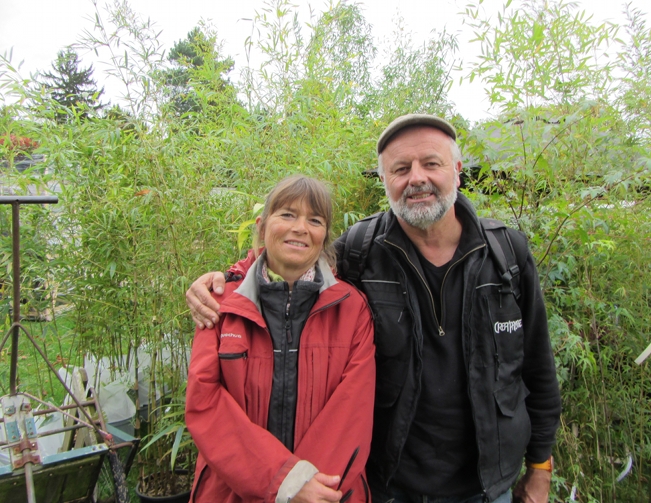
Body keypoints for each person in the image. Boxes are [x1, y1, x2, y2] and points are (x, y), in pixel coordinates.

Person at [186, 115, 562, 503]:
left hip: (487, 486)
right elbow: (291, 265)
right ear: (384, 181)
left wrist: (540, 467)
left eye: (431, 163)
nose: (416, 178)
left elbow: (536, 368)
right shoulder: (362, 250)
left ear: (457, 170)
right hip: (392, 485)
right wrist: (229, 280)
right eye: (400, 169)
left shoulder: (506, 254)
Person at [185, 176, 376, 503]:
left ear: (324, 236)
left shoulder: (351, 308)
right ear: (261, 226)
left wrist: (307, 487)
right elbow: (204, 401)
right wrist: (282, 480)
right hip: (232, 491)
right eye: (287, 214)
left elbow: (353, 409)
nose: (300, 227)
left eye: (314, 220)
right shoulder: (221, 304)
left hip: (327, 493)